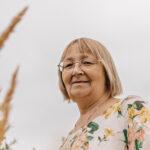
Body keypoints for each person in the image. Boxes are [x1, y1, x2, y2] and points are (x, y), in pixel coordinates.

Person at [58, 37, 150, 150]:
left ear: (107, 71)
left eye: (87, 62)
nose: (76, 71)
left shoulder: (132, 110)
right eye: (68, 65)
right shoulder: (67, 140)